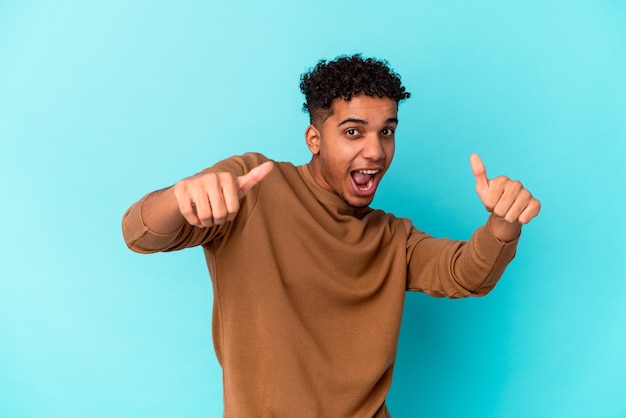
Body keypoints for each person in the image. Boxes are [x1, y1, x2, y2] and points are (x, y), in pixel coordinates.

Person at [122, 54, 540, 417]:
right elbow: (139, 234)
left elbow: (466, 273)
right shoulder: (254, 186)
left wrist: (504, 221)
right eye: (354, 132)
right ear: (315, 139)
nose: (376, 151)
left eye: (387, 131)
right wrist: (180, 198)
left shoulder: (393, 237)